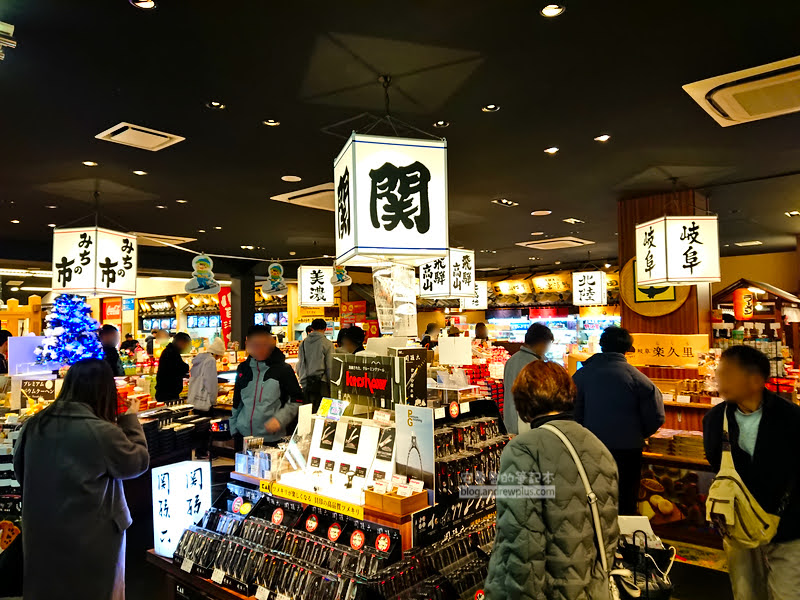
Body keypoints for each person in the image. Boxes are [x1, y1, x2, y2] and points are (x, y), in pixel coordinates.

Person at [13, 358, 149, 600]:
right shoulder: (101, 431)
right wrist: (130, 419)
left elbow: (20, 470)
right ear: (104, 391)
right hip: (92, 539)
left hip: (41, 534)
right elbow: (137, 462)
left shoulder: (35, 424)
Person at [484, 360, 619, 600]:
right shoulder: (598, 446)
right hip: (591, 587)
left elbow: (522, 545)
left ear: (523, 403)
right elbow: (608, 531)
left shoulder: (523, 450)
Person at [703, 345, 800, 599]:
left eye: (727, 373)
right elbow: (717, 463)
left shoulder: (791, 418)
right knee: (746, 592)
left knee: (787, 592)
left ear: (756, 380)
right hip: (737, 524)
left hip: (788, 525)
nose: (718, 378)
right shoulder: (714, 419)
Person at [573, 326, 664, 516]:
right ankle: (625, 541)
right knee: (625, 502)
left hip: (589, 449)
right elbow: (657, 417)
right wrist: (637, 433)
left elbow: (572, 414)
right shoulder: (639, 379)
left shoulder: (580, 376)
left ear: (601, 346)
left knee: (592, 499)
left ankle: (596, 541)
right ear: (627, 349)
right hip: (628, 451)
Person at [230, 325, 303, 444]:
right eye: (255, 344)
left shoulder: (283, 370)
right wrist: (234, 428)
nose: (260, 349)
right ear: (247, 343)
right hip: (243, 437)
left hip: (272, 439)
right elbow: (237, 401)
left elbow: (297, 399)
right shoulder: (243, 368)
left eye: (264, 344)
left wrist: (279, 420)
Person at [502, 323, 554, 434]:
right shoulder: (534, 364)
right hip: (526, 424)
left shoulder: (511, 360)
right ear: (541, 343)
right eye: (547, 344)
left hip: (509, 422)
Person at [188, 337, 225, 459]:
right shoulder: (210, 361)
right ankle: (204, 451)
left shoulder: (199, 359)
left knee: (198, 426)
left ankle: (199, 451)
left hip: (194, 399)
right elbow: (211, 382)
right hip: (204, 400)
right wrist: (214, 399)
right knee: (205, 428)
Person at [297, 318, 334, 412]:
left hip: (307, 384)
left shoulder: (303, 343)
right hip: (323, 384)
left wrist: (302, 380)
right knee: (324, 412)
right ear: (325, 329)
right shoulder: (327, 343)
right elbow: (330, 366)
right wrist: (332, 385)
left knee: (308, 413)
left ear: (312, 328)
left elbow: (300, 364)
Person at [155, 332, 192, 402]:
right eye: (186, 345)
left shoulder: (170, 351)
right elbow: (182, 368)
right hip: (167, 393)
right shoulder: (171, 353)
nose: (186, 348)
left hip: (166, 392)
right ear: (181, 342)